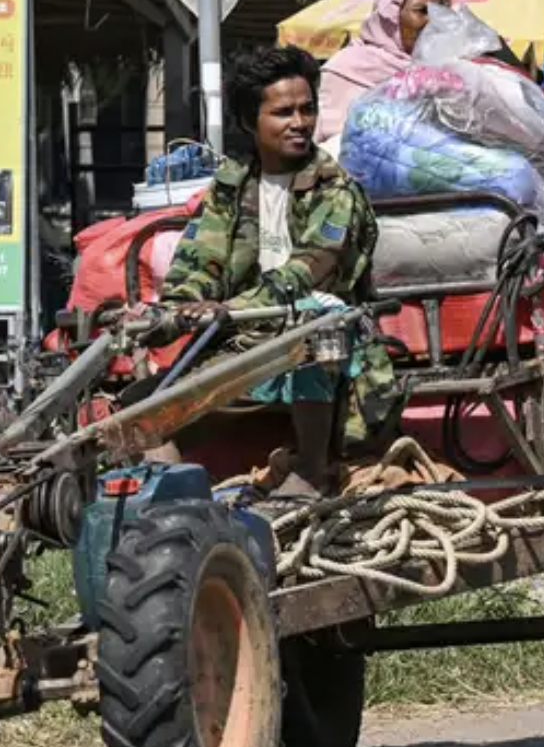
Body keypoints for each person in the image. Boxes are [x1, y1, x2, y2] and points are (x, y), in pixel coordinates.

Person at [148, 45, 398, 495]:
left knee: (317, 321)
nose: (300, 123)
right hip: (246, 336)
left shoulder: (337, 190)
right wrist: (173, 313)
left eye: (307, 109)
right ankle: (168, 496)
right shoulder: (231, 185)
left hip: (331, 344)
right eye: (283, 112)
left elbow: (312, 269)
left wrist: (227, 308)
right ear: (249, 121)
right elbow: (199, 260)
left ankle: (311, 468)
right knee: (146, 407)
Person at [315, 0, 451, 145]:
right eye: (422, 11)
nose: (431, 21)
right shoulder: (344, 70)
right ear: (391, 14)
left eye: (438, 12)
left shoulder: (448, 73)